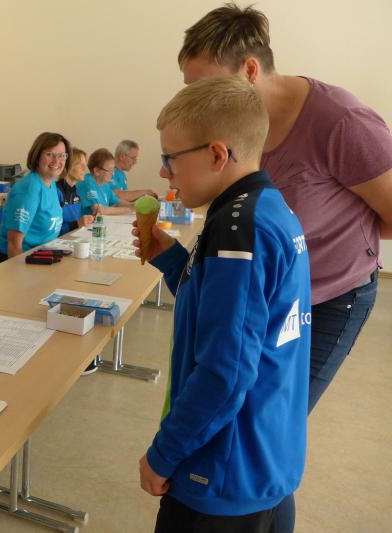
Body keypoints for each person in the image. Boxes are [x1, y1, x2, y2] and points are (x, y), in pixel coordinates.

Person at [178, 5, 392, 530]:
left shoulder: (341, 121)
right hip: (271, 295)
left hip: (332, 298)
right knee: (255, 428)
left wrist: (318, 246)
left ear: (250, 70)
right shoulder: (235, 128)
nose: (195, 102)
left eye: (206, 86)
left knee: (266, 433)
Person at [135, 76, 310, 533]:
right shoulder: (264, 207)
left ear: (216, 154)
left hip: (222, 473)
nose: (164, 174)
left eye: (170, 159)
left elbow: (225, 372)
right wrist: (171, 258)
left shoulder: (236, 230)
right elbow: (222, 313)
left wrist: (164, 454)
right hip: (262, 459)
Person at [0, 132, 69, 264]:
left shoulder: (50, 183)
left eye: (62, 155)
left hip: (44, 255)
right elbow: (14, 244)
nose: (56, 161)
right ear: (37, 156)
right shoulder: (29, 189)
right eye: (50, 154)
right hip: (20, 260)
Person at [77, 148, 133, 215]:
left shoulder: (105, 184)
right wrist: (128, 209)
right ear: (97, 171)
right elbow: (98, 210)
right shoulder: (87, 182)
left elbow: (117, 203)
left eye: (113, 170)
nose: (113, 174)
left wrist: (134, 205)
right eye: (110, 170)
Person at [57, 147, 94, 234]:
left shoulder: (76, 191)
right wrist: (76, 224)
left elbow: (79, 220)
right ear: (69, 166)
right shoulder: (56, 192)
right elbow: (51, 231)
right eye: (81, 165)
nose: (85, 169)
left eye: (85, 165)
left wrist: (91, 217)